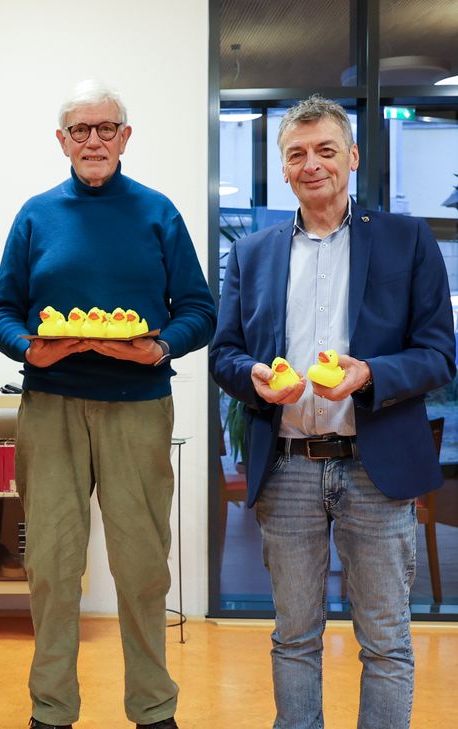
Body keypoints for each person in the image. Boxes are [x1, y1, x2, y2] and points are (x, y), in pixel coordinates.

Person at [209, 95, 455, 729]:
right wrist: (255, 379)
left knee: (387, 643)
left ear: (351, 157)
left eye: (324, 150)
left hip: (376, 471)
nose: (311, 163)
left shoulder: (407, 240)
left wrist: (370, 373)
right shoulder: (254, 254)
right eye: (296, 153)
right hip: (288, 469)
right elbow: (226, 354)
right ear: (284, 168)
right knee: (293, 637)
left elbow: (438, 353)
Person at [0, 79, 215, 729]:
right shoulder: (36, 214)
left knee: (142, 565)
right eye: (80, 130)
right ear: (61, 140)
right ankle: (51, 709)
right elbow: (3, 310)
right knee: (51, 566)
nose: (93, 141)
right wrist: (28, 350)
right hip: (51, 406)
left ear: (125, 136)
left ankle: (151, 707)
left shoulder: (157, 213)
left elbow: (197, 310)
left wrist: (159, 346)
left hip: (138, 405)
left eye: (105, 128)